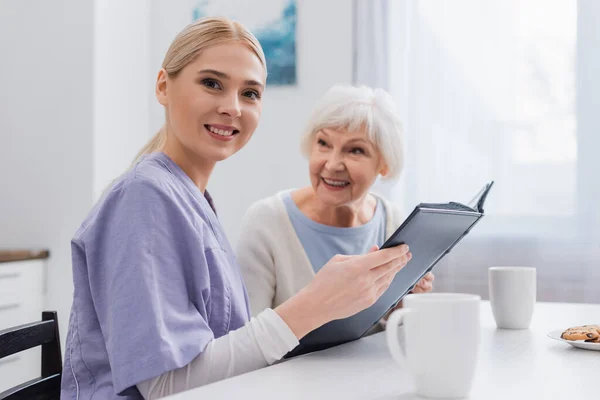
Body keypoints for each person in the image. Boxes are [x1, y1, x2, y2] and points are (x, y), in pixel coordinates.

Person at [60, 17, 411, 400]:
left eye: (250, 94)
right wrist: (314, 305)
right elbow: (163, 386)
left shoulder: (188, 199)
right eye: (211, 83)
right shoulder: (142, 200)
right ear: (164, 85)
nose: (232, 108)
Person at [238, 85, 434, 320]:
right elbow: (247, 336)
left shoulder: (394, 222)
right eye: (323, 143)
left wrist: (404, 306)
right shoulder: (266, 221)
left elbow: (390, 335)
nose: (332, 164)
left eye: (356, 151)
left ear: (384, 163)